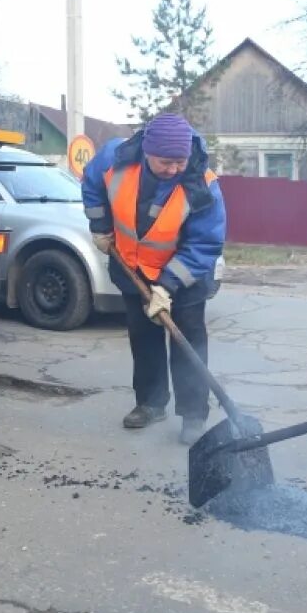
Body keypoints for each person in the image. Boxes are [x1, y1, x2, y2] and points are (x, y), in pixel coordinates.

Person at [81, 113, 226, 445]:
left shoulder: (201, 186)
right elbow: (91, 184)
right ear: (147, 151)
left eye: (180, 162)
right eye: (166, 162)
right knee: (143, 337)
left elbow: (205, 243)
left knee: (187, 343)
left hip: (183, 278)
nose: (174, 169)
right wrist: (100, 227)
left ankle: (193, 414)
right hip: (133, 271)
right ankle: (150, 403)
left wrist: (168, 285)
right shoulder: (115, 159)